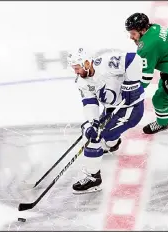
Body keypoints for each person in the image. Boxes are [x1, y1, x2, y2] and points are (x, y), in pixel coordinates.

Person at [67, 48, 145, 194]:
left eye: (77, 68)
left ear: (86, 63)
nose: (76, 72)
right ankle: (112, 143)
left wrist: (132, 85)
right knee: (92, 130)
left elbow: (134, 59)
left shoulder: (106, 63)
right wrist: (93, 121)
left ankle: (93, 178)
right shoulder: (82, 82)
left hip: (130, 109)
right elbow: (89, 102)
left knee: (95, 138)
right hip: (112, 109)